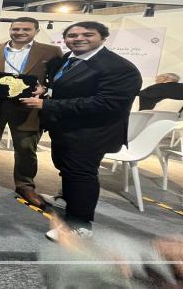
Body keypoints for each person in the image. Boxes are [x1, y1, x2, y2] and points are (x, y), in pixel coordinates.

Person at [21, 21, 141, 241]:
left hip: (91, 133)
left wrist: (47, 105)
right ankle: (67, 199)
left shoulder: (119, 68)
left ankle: (80, 225)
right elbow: (63, 87)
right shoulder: (67, 59)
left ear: (103, 37)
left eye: (87, 34)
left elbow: (106, 104)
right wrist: (45, 90)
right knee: (66, 168)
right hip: (65, 128)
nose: (78, 39)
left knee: (81, 175)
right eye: (72, 35)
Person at [0, 17, 63, 208]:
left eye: (26, 29)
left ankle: (25, 185)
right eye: (16, 29)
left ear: (36, 31)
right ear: (10, 30)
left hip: (28, 106)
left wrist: (46, 89)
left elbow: (59, 78)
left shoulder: (51, 51)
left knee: (26, 149)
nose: (20, 32)